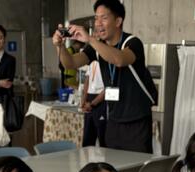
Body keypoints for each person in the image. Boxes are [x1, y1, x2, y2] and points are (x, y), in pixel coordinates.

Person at [54, 0, 157, 153]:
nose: (98, 23)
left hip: (136, 122)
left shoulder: (132, 43)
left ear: (118, 21)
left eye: (104, 18)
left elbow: (119, 59)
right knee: (112, 165)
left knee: (137, 165)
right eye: (96, 18)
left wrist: (90, 39)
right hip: (113, 121)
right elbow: (71, 63)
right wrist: (60, 46)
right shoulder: (96, 47)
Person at [82, 58, 107, 147]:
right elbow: (87, 81)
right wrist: (83, 100)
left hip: (101, 101)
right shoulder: (92, 61)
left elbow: (108, 88)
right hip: (89, 99)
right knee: (87, 139)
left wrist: (93, 103)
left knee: (103, 139)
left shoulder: (107, 61)